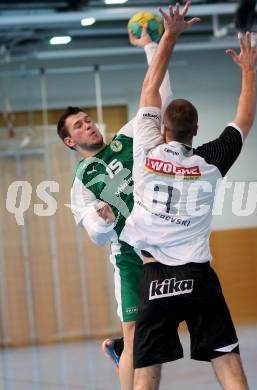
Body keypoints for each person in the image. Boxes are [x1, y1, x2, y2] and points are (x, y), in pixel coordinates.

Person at [120, 2, 257, 389]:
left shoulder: (146, 151)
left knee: (146, 371)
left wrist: (168, 35)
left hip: (154, 276)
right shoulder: (211, 162)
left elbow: (151, 87)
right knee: (228, 365)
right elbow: (244, 119)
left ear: (161, 127)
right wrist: (248, 70)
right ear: (196, 129)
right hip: (198, 277)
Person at [56, 27, 173, 390]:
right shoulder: (81, 182)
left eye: (88, 120)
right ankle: (123, 350)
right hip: (131, 258)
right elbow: (95, 234)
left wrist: (152, 46)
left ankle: (122, 350)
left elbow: (161, 97)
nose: (88, 125)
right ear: (69, 141)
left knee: (163, 332)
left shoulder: (127, 137)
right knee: (138, 335)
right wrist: (103, 221)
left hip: (167, 246)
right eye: (79, 125)